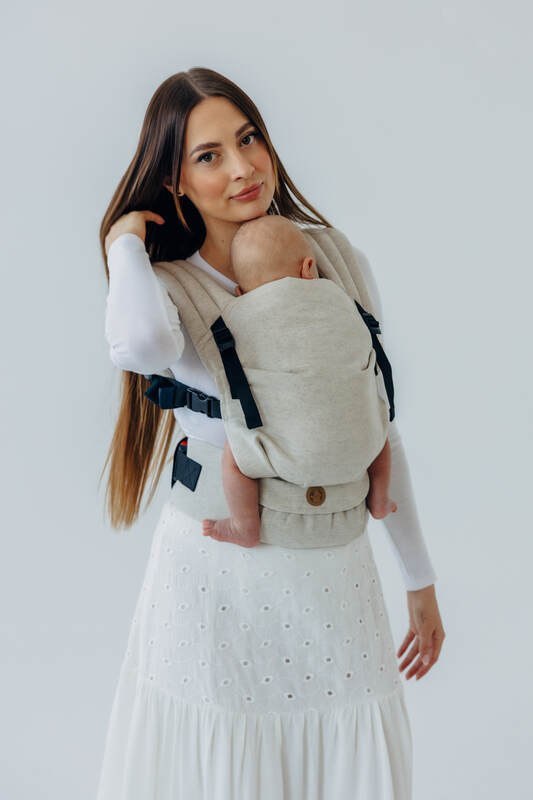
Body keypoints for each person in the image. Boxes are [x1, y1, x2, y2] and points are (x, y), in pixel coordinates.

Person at [97, 67, 445, 800]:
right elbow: (142, 346)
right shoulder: (167, 285)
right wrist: (123, 244)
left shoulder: (335, 259)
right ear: (175, 182)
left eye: (248, 138)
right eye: (209, 156)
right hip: (215, 578)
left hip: (333, 567)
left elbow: (373, 421)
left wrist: (418, 578)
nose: (242, 167)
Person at [201, 214, 398, 549]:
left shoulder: (238, 315)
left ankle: (244, 524)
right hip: (361, 450)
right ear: (309, 268)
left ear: (241, 291)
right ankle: (379, 499)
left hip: (287, 458)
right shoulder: (341, 299)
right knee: (379, 428)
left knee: (234, 457)